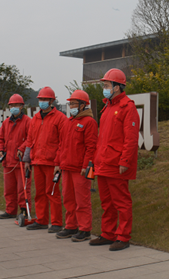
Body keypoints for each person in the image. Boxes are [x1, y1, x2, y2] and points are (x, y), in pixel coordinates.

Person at [89, 69, 140, 251]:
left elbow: (131, 138)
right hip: (103, 162)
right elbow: (101, 138)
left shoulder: (128, 107)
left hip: (116, 164)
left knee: (121, 201)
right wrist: (95, 162)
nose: (104, 88)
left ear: (117, 87)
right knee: (106, 202)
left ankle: (123, 236)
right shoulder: (107, 107)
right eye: (104, 85)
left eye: (107, 85)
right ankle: (107, 234)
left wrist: (125, 162)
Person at [18, 87, 67, 232]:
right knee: (39, 193)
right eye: (40, 99)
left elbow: (62, 143)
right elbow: (29, 140)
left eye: (45, 99)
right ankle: (41, 220)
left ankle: (57, 223)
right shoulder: (35, 119)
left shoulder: (60, 118)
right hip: (37, 162)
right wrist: (27, 160)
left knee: (52, 193)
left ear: (52, 101)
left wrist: (58, 162)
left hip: (52, 163)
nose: (42, 102)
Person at [53, 90, 98, 242]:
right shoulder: (68, 122)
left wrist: (86, 166)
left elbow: (91, 147)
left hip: (80, 169)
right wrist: (57, 163)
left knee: (82, 200)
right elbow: (61, 145)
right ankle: (71, 226)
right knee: (68, 199)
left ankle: (85, 229)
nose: (71, 106)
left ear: (83, 105)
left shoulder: (89, 122)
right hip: (66, 168)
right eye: (70, 103)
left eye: (74, 103)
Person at [0, 94, 32, 219]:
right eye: (12, 105)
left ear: (22, 106)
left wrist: (22, 148)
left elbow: (31, 138)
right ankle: (10, 211)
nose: (14, 107)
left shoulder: (28, 121)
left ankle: (24, 211)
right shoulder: (6, 123)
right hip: (8, 162)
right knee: (9, 189)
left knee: (23, 189)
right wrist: (0, 150)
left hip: (21, 162)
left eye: (16, 105)